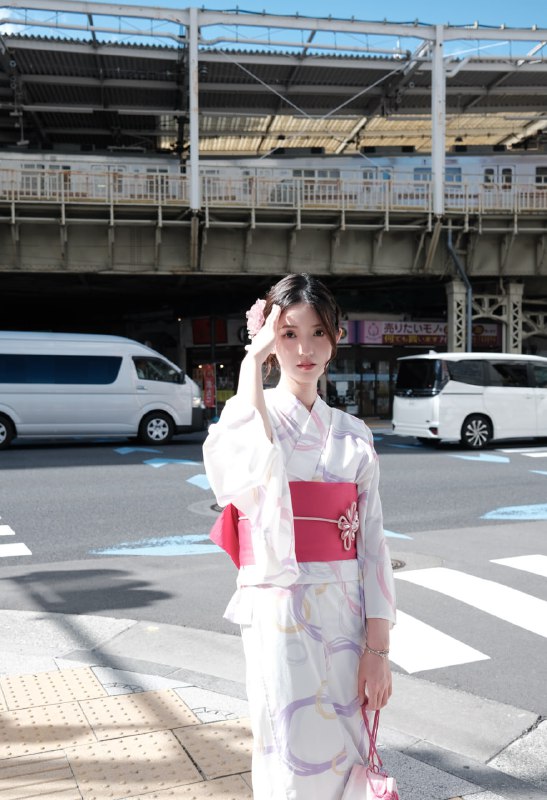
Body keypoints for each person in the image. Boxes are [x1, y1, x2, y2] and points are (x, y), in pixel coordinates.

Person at [203, 273, 396, 800]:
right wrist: (252, 360)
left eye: (317, 333)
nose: (305, 349)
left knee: (350, 750)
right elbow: (241, 471)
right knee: (287, 750)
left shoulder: (354, 434)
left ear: (336, 338)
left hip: (346, 611)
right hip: (280, 609)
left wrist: (378, 650)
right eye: (289, 334)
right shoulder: (251, 412)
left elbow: (373, 544)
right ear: (271, 339)